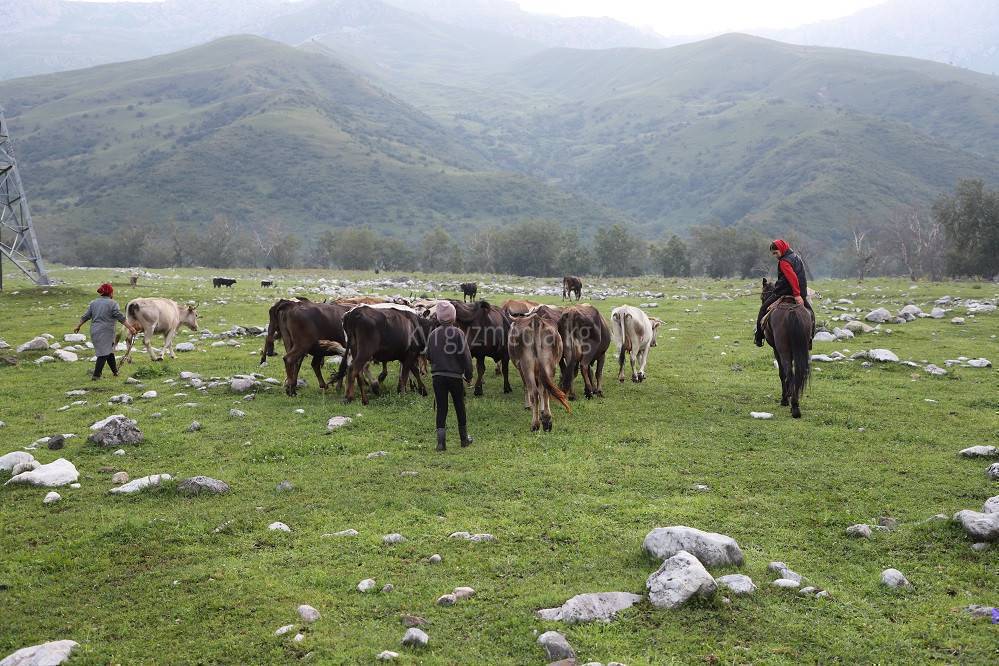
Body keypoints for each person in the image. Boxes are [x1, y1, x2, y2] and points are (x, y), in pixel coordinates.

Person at [426, 301, 473, 451]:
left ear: (439, 317)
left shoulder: (433, 334)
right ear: (453, 316)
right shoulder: (458, 333)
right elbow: (466, 356)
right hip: (455, 377)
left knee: (441, 408)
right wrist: (469, 374)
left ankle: (441, 443)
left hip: (437, 377)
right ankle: (464, 439)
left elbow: (428, 355)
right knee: (460, 406)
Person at [755, 239, 813, 347]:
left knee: (763, 309)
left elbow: (793, 279)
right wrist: (800, 294)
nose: (775, 256)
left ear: (781, 249)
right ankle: (809, 338)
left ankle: (758, 337)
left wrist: (796, 295)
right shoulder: (796, 257)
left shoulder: (784, 262)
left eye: (776, 253)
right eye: (773, 254)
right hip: (802, 291)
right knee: (810, 312)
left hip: (784, 292)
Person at [74, 283, 137, 380]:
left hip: (95, 331)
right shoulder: (113, 303)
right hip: (106, 332)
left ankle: (115, 371)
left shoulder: (93, 303)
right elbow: (120, 317)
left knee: (109, 352)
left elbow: (86, 316)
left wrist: (78, 325)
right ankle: (96, 375)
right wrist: (130, 327)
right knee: (104, 353)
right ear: (111, 293)